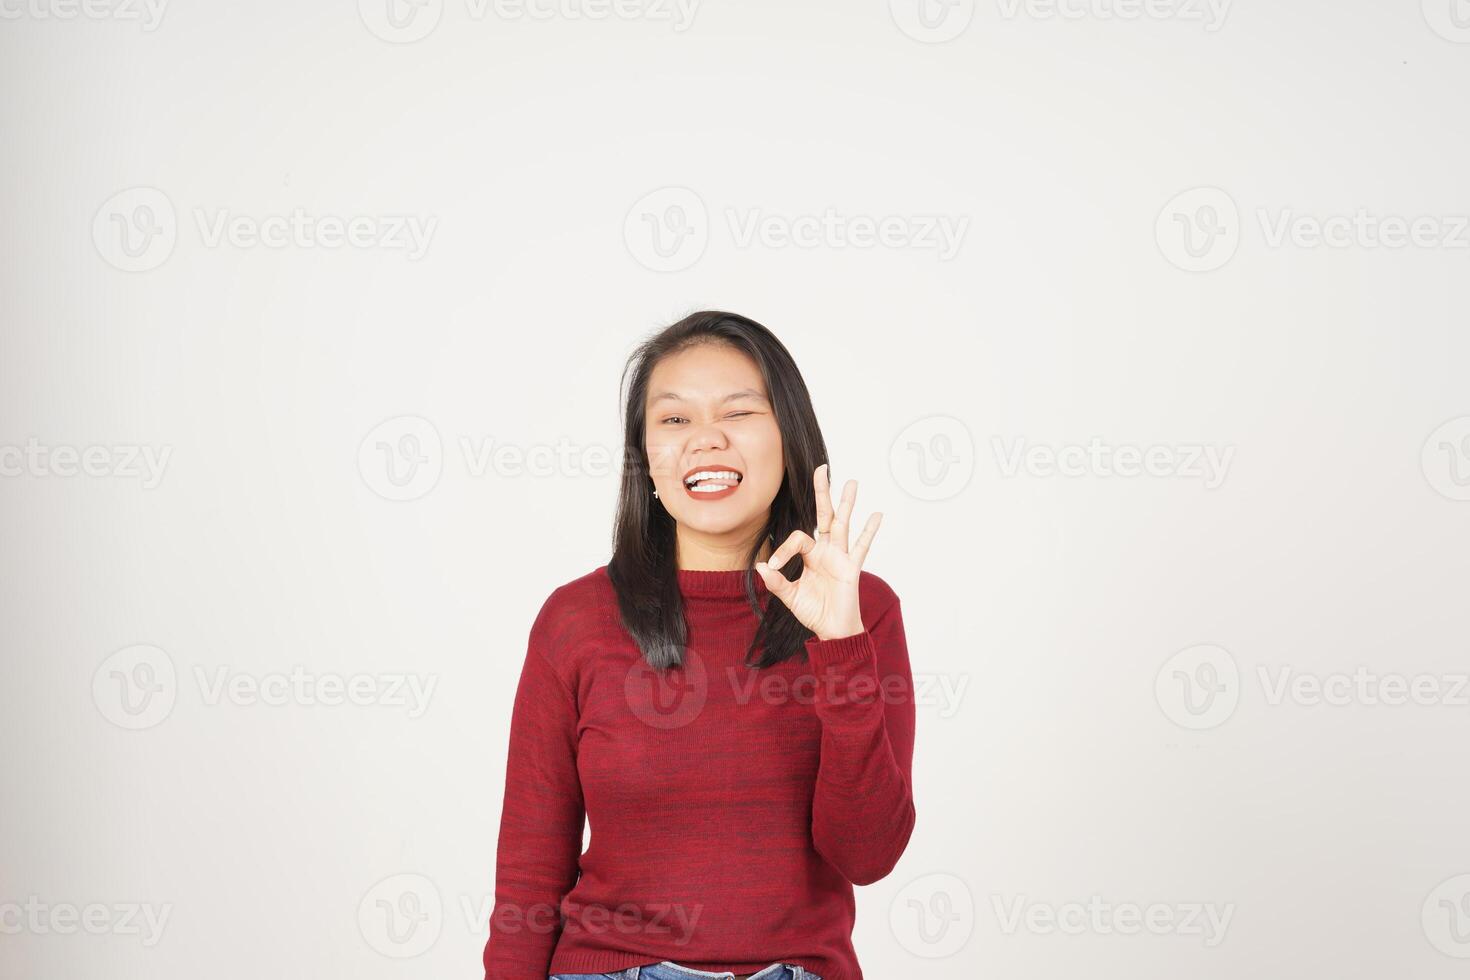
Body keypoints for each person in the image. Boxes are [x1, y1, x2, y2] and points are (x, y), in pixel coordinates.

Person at [483, 311, 917, 980]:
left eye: (739, 413)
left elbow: (867, 855)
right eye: (675, 420)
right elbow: (529, 873)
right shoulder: (576, 620)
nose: (706, 441)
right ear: (645, 455)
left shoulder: (861, 613)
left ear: (788, 437)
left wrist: (840, 648)